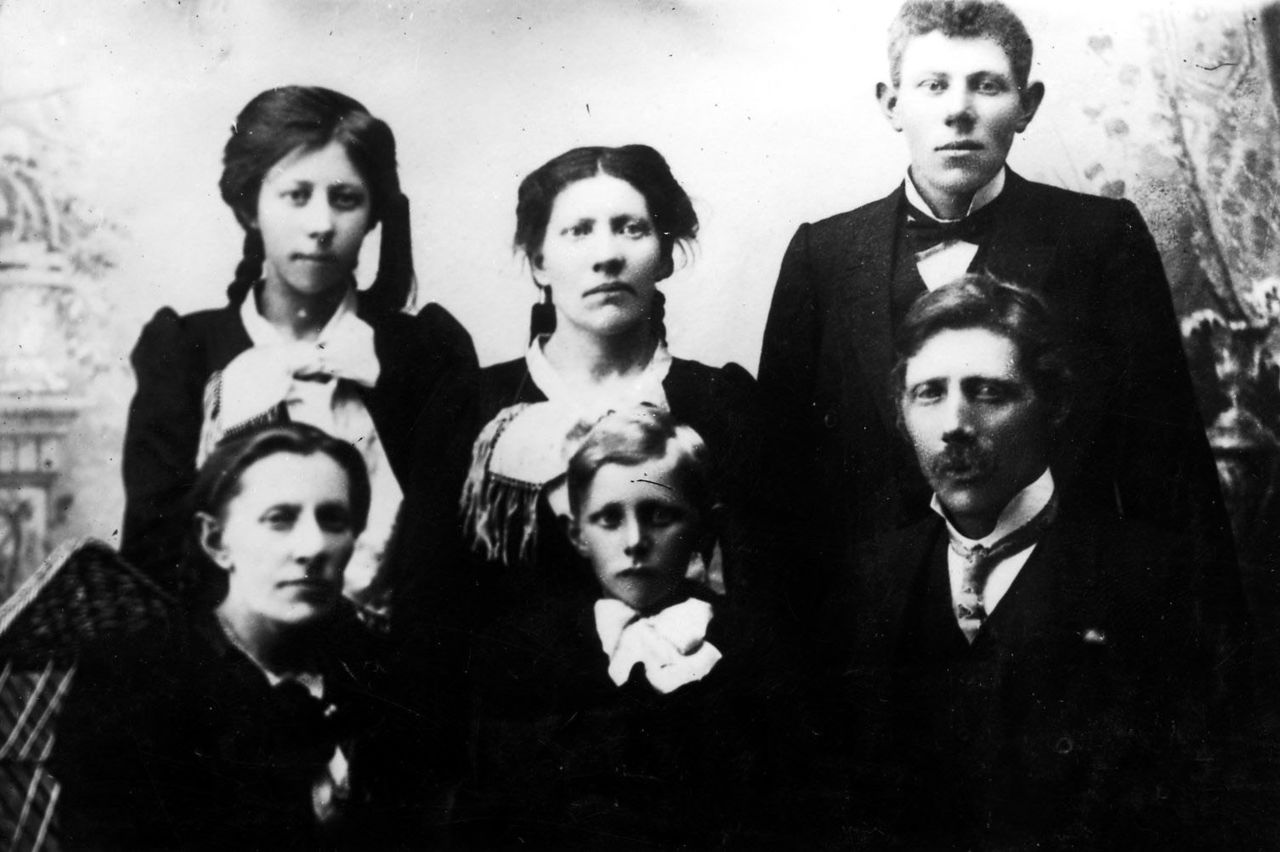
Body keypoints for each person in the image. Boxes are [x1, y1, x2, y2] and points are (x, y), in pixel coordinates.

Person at [757, 0, 1240, 637]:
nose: (958, 110)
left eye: (986, 85)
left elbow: (1169, 467)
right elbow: (776, 487)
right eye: (933, 85)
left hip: (1062, 628)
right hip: (868, 638)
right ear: (891, 104)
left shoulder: (1100, 240)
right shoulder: (823, 255)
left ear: (1027, 104)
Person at [818, 275, 1215, 847]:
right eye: (928, 393)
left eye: (988, 393)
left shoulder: (1154, 578)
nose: (954, 425)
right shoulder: (866, 580)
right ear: (901, 412)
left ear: (1053, 405)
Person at [120, 85, 477, 611]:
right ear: (250, 208)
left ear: (373, 214)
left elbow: (458, 551)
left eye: (345, 198)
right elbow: (151, 560)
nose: (321, 225)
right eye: (296, 195)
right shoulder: (186, 353)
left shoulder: (426, 352)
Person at [54, 424, 422, 849]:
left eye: (333, 520)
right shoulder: (134, 680)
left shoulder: (381, 679)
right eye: (280, 519)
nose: (313, 546)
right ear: (215, 540)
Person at [457, 407, 794, 849]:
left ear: (704, 527)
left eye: (659, 515)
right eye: (610, 519)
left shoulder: (751, 649)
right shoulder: (530, 652)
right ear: (577, 534)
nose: (634, 541)